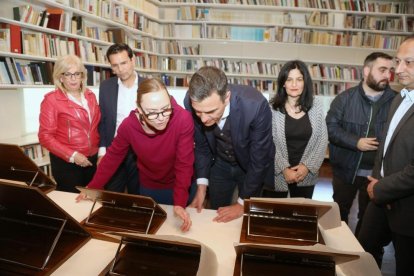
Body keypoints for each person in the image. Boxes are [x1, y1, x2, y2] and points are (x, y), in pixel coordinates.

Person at [77, 78, 194, 232]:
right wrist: (93, 187)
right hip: (148, 186)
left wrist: (179, 203)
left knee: (176, 233)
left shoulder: (183, 119)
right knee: (152, 231)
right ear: (139, 108)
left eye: (166, 109)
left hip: (179, 186)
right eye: (152, 113)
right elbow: (112, 158)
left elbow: (184, 164)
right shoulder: (128, 126)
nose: (161, 118)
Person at [184, 66, 275, 223]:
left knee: (248, 216)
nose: (203, 119)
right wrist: (201, 188)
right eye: (198, 112)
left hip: (249, 165)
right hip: (219, 163)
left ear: (226, 98)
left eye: (211, 111)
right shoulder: (191, 101)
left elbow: (259, 159)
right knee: (218, 212)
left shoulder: (256, 105)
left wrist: (241, 204)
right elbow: (202, 147)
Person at [357, 36, 414, 275]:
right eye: (397, 62)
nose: (398, 70)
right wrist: (375, 181)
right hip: (379, 197)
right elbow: (385, 146)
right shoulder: (400, 98)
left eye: (408, 63)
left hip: (407, 207)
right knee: (364, 253)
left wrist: (381, 189)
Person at [326, 52, 396, 235]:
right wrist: (355, 142)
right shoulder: (344, 99)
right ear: (366, 71)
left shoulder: (397, 101)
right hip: (345, 170)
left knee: (368, 220)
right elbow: (331, 128)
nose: (387, 75)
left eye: (390, 71)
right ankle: (337, 248)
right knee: (338, 214)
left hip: (377, 175)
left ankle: (359, 254)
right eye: (382, 70)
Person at [265, 60, 327, 199]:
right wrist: (284, 169)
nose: (294, 84)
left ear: (305, 83)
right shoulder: (271, 108)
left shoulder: (316, 105)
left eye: (299, 79)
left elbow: (322, 140)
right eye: (289, 79)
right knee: (275, 217)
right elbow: (267, 143)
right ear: (283, 83)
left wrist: (306, 167)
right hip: (277, 175)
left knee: (300, 216)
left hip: (306, 176)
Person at [38, 54, 101, 193]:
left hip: (92, 160)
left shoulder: (90, 96)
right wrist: (73, 156)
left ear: (82, 76)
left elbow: (96, 126)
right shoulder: (51, 100)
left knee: (92, 200)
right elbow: (45, 136)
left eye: (76, 74)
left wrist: (101, 152)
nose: (73, 78)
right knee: (72, 204)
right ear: (61, 77)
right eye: (68, 74)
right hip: (67, 163)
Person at [98, 43, 140, 194]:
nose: (120, 69)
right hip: (114, 150)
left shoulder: (149, 85)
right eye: (115, 65)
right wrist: (102, 151)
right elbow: (102, 121)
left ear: (132, 60)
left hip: (140, 154)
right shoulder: (105, 87)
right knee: (111, 196)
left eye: (123, 63)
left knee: (139, 197)